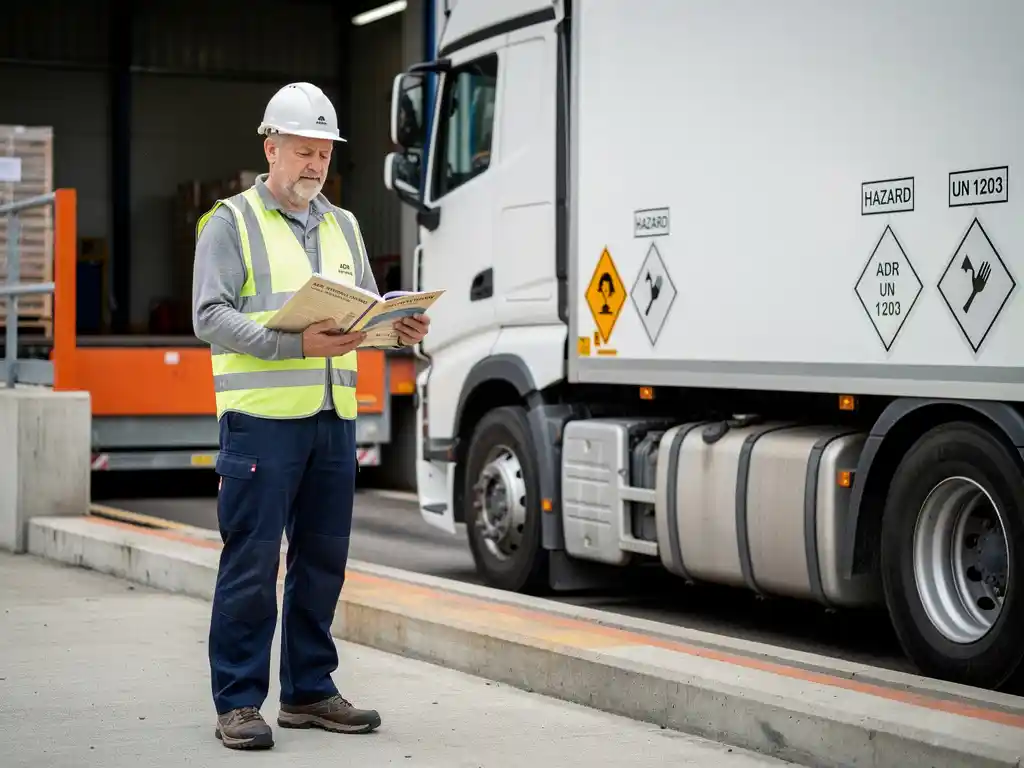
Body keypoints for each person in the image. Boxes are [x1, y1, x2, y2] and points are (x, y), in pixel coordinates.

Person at [191, 82, 430, 751]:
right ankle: (238, 702)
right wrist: (291, 343)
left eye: (323, 153)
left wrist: (396, 329)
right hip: (262, 421)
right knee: (253, 562)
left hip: (333, 416)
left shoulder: (344, 224)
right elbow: (209, 316)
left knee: (322, 563)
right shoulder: (230, 223)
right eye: (302, 150)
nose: (314, 165)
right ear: (271, 148)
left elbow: (354, 320)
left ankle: (308, 691)